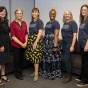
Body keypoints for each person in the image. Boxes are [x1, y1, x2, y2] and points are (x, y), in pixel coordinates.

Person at [39, 9, 61, 80]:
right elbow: (45, 33)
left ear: (55, 15)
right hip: (46, 42)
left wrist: (55, 46)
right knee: (46, 58)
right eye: (51, 13)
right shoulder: (48, 23)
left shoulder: (56, 23)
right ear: (49, 14)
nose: (52, 15)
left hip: (52, 42)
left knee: (52, 58)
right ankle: (46, 72)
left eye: (54, 14)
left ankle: (52, 74)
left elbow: (56, 35)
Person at [25, 8, 44, 82]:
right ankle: (34, 71)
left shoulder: (40, 22)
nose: (34, 13)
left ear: (38, 13)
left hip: (37, 40)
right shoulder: (31, 22)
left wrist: (35, 42)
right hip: (31, 39)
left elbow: (40, 33)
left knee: (36, 58)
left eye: (35, 12)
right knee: (32, 57)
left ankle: (36, 74)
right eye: (33, 12)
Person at [10, 8, 28, 80]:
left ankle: (20, 72)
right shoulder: (12, 24)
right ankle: (17, 74)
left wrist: (26, 42)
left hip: (24, 44)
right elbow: (13, 36)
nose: (19, 15)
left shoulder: (24, 23)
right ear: (15, 14)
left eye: (20, 13)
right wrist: (21, 43)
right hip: (16, 45)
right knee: (16, 60)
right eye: (17, 13)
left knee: (21, 60)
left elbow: (26, 33)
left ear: (22, 14)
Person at [61, 11, 78, 83]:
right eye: (65, 14)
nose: (67, 15)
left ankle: (69, 75)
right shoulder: (65, 23)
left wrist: (72, 45)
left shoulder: (73, 23)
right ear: (64, 16)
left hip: (70, 43)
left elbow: (75, 35)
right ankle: (69, 72)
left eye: (68, 14)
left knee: (66, 59)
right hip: (64, 43)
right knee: (67, 59)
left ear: (71, 15)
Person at [76, 4, 88, 87]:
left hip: (86, 45)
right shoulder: (83, 21)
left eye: (85, 10)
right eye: (82, 10)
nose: (83, 11)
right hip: (81, 44)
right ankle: (82, 77)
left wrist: (87, 45)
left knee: (86, 63)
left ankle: (85, 81)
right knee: (83, 62)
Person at [0, 6, 10, 86]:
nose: (3, 13)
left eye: (4, 11)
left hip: (6, 44)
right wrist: (1, 45)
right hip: (1, 45)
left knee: (3, 61)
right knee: (0, 62)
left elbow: (8, 32)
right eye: (2, 11)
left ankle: (3, 75)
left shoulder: (6, 21)